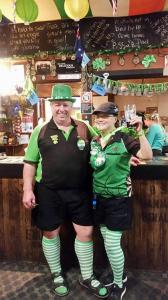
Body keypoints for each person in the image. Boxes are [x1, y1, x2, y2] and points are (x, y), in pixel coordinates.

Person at [22, 84, 108, 298]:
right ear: (51, 106)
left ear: (72, 106)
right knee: (50, 232)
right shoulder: (40, 131)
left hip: (80, 191)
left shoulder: (84, 128)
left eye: (66, 104)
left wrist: (125, 154)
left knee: (86, 233)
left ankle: (87, 276)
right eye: (58, 104)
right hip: (49, 191)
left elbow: (103, 144)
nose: (62, 109)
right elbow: (30, 162)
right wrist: (27, 190)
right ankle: (56, 274)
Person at [90, 102, 152, 300]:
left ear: (115, 119)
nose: (100, 119)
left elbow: (147, 156)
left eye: (105, 116)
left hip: (119, 198)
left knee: (112, 243)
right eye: (97, 115)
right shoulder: (94, 140)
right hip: (98, 198)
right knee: (107, 242)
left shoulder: (124, 138)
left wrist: (140, 132)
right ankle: (120, 276)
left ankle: (118, 283)